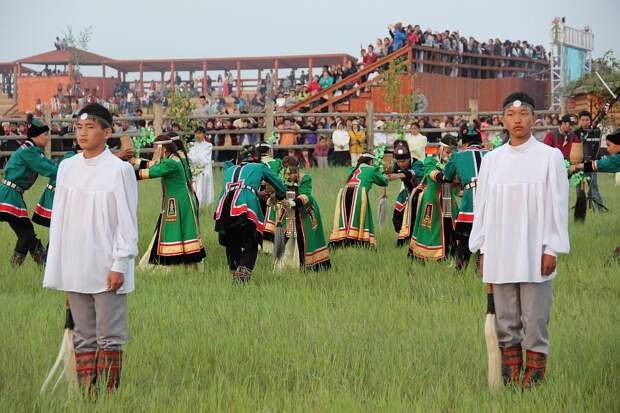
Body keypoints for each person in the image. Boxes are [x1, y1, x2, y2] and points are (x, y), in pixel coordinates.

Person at [469, 92, 570, 388]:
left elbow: (558, 205)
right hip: (500, 250)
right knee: (506, 319)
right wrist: (484, 249)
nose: (518, 120)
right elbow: (483, 207)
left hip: (535, 250)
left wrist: (552, 247)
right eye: (511, 115)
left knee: (535, 319)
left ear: (534, 119)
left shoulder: (550, 158)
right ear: (502, 119)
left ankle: (535, 379)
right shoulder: (491, 160)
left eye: (524, 114)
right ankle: (511, 377)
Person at [43, 104, 139, 394]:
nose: (82, 133)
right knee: (83, 335)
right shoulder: (67, 168)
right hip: (75, 263)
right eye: (79, 127)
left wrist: (119, 264)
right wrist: (61, 266)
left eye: (91, 127)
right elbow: (60, 220)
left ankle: (109, 396)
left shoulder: (118, 170)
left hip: (106, 265)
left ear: (108, 132)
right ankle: (88, 395)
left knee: (108, 335)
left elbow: (126, 220)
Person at [214, 146, 286, 283]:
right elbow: (279, 185)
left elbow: (234, 177)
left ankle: (234, 273)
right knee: (252, 240)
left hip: (224, 206)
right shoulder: (259, 167)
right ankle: (243, 279)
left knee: (231, 240)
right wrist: (280, 195)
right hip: (244, 204)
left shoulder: (229, 169)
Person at [133, 135, 206, 267]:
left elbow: (153, 171)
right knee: (179, 231)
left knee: (174, 231)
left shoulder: (171, 162)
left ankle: (174, 265)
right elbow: (156, 165)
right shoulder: (174, 157)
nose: (154, 151)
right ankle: (184, 265)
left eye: (156, 147)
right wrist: (135, 161)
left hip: (178, 201)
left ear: (163, 148)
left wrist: (125, 172)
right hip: (180, 199)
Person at [0, 119, 57, 266]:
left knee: (27, 234)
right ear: (36, 135)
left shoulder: (32, 150)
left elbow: (50, 164)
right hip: (9, 196)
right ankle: (43, 264)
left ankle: (43, 264)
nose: (47, 137)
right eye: (45, 134)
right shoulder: (29, 152)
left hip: (13, 194)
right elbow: (50, 170)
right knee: (26, 234)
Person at [443, 126, 488, 269]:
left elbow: (447, 176)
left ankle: (460, 270)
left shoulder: (458, 155)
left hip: (470, 199)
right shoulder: (491, 153)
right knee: (487, 236)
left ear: (464, 143)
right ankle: (481, 268)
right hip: (490, 198)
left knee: (465, 237)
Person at [571, 129, 620, 255]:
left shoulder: (617, 159)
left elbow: (602, 164)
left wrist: (577, 166)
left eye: (609, 145)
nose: (608, 150)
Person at [408, 135, 458, 260]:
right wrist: (446, 174)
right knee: (430, 228)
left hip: (448, 198)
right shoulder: (430, 161)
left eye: (452, 152)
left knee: (450, 225)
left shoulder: (453, 163)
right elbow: (433, 174)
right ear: (440, 149)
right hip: (432, 200)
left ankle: (450, 253)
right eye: (447, 151)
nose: (449, 154)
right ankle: (428, 254)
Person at [278, 157, 331, 270]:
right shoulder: (280, 178)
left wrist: (292, 203)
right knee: (283, 235)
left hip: (305, 211)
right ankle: (282, 266)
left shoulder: (305, 178)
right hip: (287, 212)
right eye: (288, 173)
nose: (291, 176)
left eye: (293, 172)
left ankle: (307, 266)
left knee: (305, 237)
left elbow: (306, 194)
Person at [329, 152, 388, 248]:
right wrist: (385, 174)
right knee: (360, 217)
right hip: (359, 193)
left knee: (346, 217)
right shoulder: (372, 169)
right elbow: (384, 181)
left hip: (344, 193)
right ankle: (359, 240)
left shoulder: (354, 169)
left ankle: (343, 240)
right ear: (371, 161)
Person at [32, 144, 79, 227]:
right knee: (59, 225)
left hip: (62, 195)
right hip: (56, 195)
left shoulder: (74, 156)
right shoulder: (71, 158)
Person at [387, 140, 424, 246]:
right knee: (397, 218)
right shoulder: (397, 165)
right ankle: (403, 236)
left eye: (403, 161)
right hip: (406, 193)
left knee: (414, 219)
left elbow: (411, 173)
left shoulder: (418, 164)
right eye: (398, 162)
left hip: (420, 195)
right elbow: (387, 172)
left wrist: (395, 176)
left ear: (409, 158)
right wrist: (384, 164)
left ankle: (409, 242)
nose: (401, 164)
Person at [574, 111, 606, 211]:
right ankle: (580, 211)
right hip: (579, 165)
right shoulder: (575, 133)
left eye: (587, 120)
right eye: (582, 120)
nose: (585, 122)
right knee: (580, 189)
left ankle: (600, 209)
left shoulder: (596, 131)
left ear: (590, 121)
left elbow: (598, 147)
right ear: (579, 121)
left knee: (594, 189)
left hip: (591, 164)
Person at [188, 126, 214, 208]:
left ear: (204, 134)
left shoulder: (208, 145)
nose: (197, 135)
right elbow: (189, 157)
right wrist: (194, 159)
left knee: (203, 190)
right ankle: (194, 207)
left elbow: (204, 160)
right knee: (194, 190)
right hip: (193, 171)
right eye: (196, 133)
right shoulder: (191, 145)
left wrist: (194, 158)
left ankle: (203, 208)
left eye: (199, 133)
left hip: (204, 171)